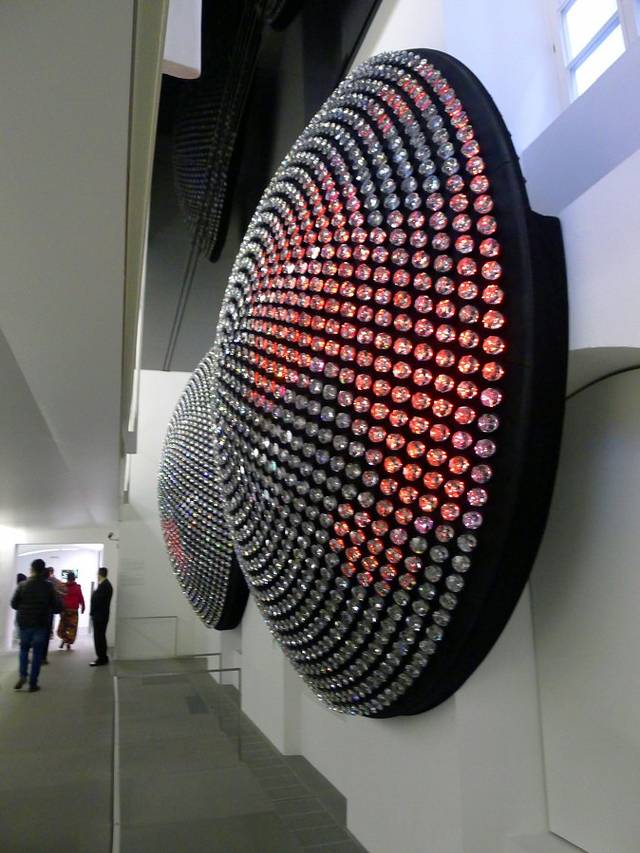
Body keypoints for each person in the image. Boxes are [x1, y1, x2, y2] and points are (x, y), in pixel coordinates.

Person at [11, 559, 61, 691]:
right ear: (43, 570)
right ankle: (33, 684)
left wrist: (24, 608)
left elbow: (14, 604)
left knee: (24, 650)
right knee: (37, 653)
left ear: (31, 569)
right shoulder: (48, 586)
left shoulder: (22, 585)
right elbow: (56, 606)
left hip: (24, 623)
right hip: (40, 623)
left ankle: (23, 675)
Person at [89, 567, 113, 667]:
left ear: (99, 574)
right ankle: (103, 657)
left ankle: (101, 658)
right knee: (100, 636)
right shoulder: (105, 585)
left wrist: (93, 595)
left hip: (100, 616)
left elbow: (97, 600)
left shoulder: (105, 586)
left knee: (99, 637)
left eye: (97, 574)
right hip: (101, 615)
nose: (97, 576)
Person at [57, 571, 85, 649]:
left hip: (64, 610)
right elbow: (81, 597)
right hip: (73, 610)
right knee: (72, 628)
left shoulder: (63, 586)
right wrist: (83, 607)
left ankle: (64, 640)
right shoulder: (77, 587)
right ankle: (68, 642)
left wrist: (58, 608)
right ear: (74, 578)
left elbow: (59, 597)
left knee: (63, 626)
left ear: (67, 578)